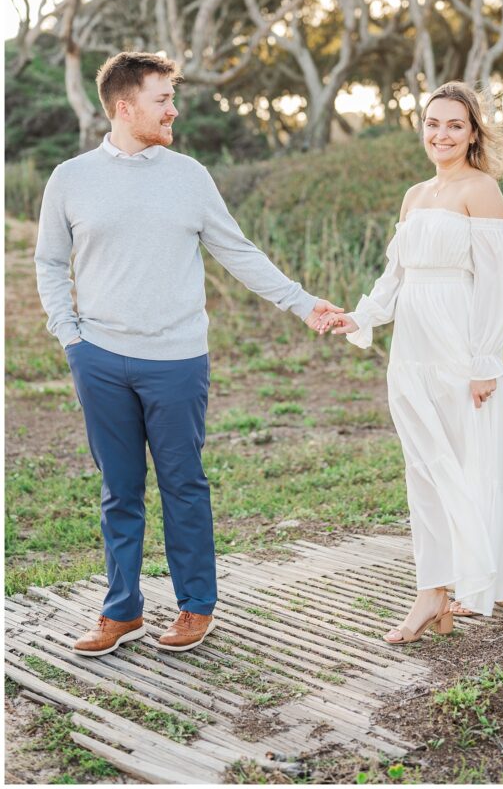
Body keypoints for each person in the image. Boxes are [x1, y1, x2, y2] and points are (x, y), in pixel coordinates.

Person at [34, 51, 342, 657]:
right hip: (98, 357)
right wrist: (69, 335)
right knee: (118, 491)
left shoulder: (190, 176)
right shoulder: (69, 178)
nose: (174, 110)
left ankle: (196, 606)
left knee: (183, 485)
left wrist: (304, 304)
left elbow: (240, 252)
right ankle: (121, 612)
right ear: (125, 108)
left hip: (177, 361)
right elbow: (48, 262)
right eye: (162, 100)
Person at [318, 81, 503, 644]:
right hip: (412, 350)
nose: (441, 135)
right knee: (425, 469)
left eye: (454, 125)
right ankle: (434, 589)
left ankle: (470, 583)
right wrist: (362, 318)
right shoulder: (414, 194)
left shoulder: (482, 190)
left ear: (473, 131)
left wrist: (484, 361)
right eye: (433, 123)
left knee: (474, 463)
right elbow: (396, 276)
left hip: (460, 348)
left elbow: (502, 285)